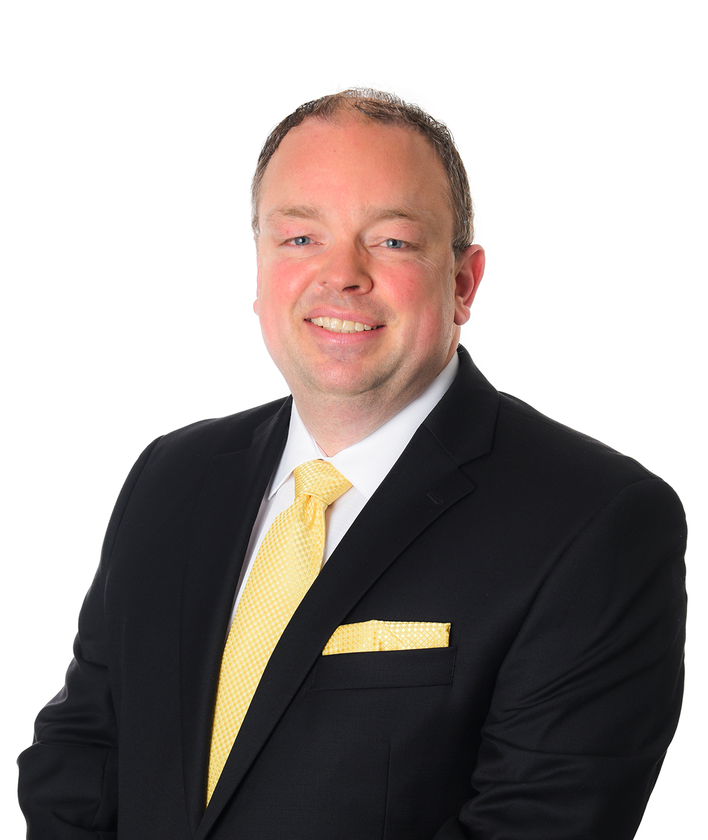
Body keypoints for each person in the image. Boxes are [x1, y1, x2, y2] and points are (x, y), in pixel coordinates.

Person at [17, 89, 687, 840]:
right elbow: (82, 757)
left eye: (392, 241)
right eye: (300, 238)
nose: (342, 275)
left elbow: (540, 822)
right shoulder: (172, 477)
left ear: (463, 282)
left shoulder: (597, 521)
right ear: (262, 263)